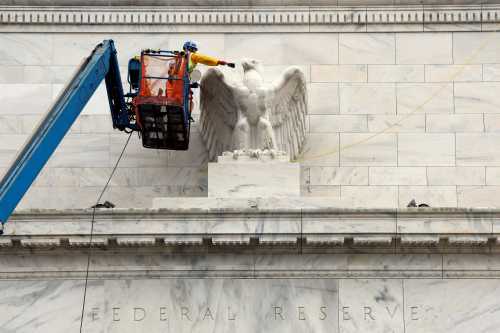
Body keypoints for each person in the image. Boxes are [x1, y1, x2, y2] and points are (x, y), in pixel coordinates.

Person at [166, 40, 235, 108]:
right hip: (180, 82)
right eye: (193, 49)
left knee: (172, 100)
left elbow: (171, 70)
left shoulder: (178, 56)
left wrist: (190, 83)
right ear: (191, 49)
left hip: (171, 82)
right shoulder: (192, 56)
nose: (194, 51)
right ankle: (186, 116)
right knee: (188, 100)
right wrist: (221, 62)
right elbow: (206, 60)